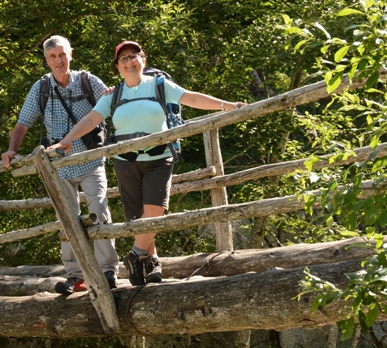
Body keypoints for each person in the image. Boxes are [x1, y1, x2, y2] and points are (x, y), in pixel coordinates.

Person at [49, 40, 246, 286]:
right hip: (126, 163)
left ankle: (134, 255)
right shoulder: (115, 94)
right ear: (117, 67)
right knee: (138, 219)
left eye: (134, 56)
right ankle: (150, 263)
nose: (129, 62)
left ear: (143, 60)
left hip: (159, 158)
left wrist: (226, 106)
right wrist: (66, 140)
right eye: (123, 59)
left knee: (155, 211)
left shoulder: (160, 86)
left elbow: (192, 99)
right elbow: (91, 120)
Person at [1, 35, 119, 294]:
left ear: (71, 55)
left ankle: (108, 270)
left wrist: (113, 95)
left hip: (90, 160)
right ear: (46, 60)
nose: (58, 60)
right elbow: (22, 124)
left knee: (99, 210)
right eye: (53, 56)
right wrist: (11, 150)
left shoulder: (88, 81)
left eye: (62, 55)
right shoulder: (41, 88)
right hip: (59, 166)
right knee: (66, 219)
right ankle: (75, 276)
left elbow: (113, 103)